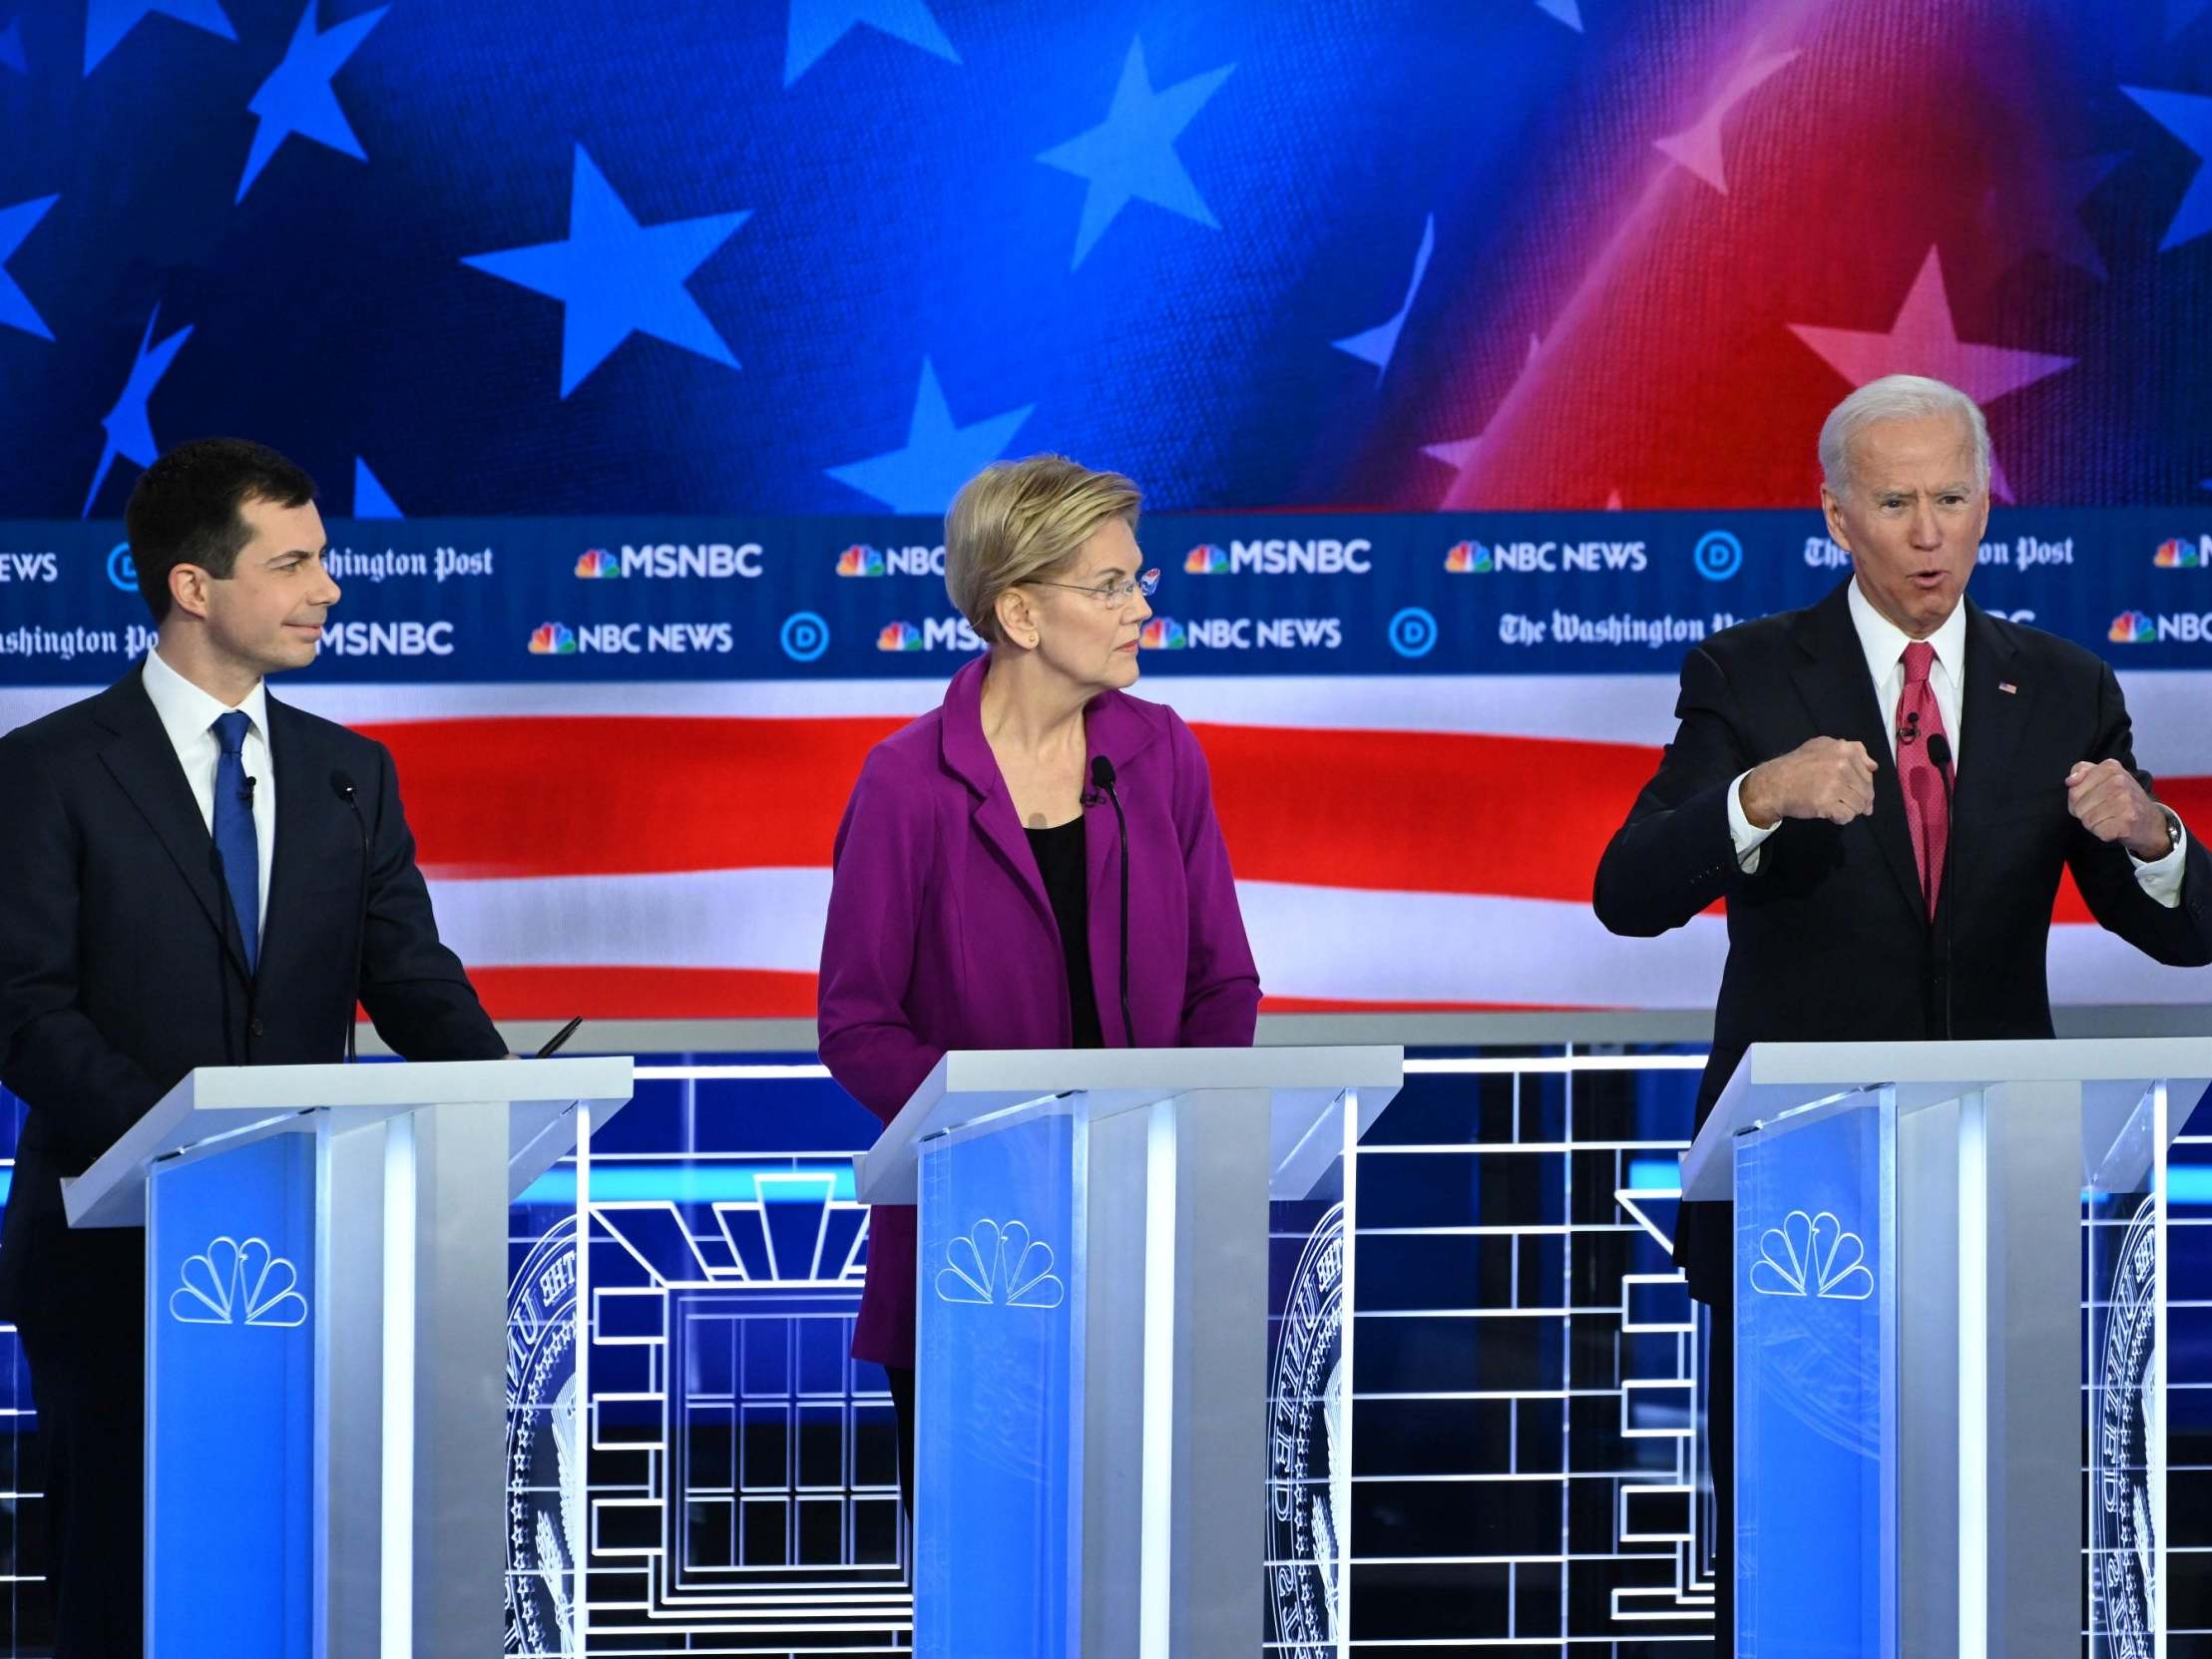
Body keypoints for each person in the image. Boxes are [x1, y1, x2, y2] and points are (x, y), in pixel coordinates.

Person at [1593, 373, 2212, 1645]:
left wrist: (2152, 837)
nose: (1929, 532)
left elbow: (2183, 923)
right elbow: (1627, 891)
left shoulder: (2064, 686)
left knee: (1992, 1551)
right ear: (1835, 516)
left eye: (1952, 497)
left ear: (1988, 506)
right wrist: (1754, 798)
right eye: (1895, 502)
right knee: (1799, 1565)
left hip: (1995, 1199)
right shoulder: (1750, 673)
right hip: (1796, 1209)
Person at [0, 438, 509, 1656]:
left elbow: (411, 978)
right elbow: (24, 1007)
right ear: (192, 586)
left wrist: (498, 1094)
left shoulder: (350, 775)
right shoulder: (46, 770)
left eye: (322, 558)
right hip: (111, 1250)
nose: (327, 588)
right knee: (126, 1577)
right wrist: (190, 1147)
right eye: (293, 563)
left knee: (302, 1568)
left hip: (312, 1242)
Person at [816, 454, 1262, 1510]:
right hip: (977, 1246)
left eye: (1138, 579)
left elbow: (1223, 980)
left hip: (1140, 1226)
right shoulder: (907, 783)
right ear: (1019, 611)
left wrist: (1164, 1133)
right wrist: (1015, 1133)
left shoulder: (1160, 754)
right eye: (1110, 585)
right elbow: (858, 1022)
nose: (1141, 606)